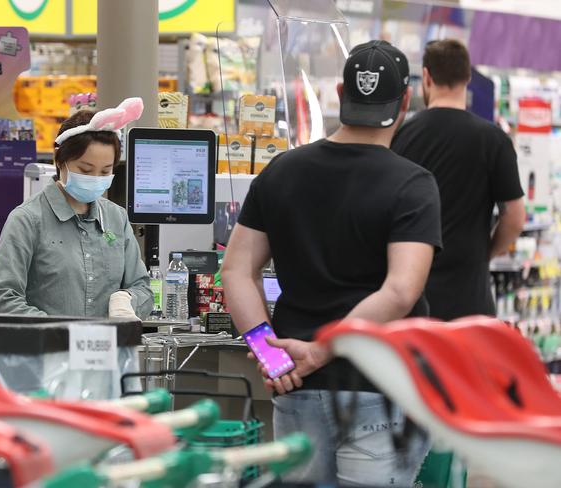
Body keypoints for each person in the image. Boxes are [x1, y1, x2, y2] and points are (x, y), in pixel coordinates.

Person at [222, 41, 441, 486]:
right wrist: (319, 353)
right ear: (404, 103)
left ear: (340, 92)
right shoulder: (413, 185)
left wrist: (272, 355)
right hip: (381, 386)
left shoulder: (281, 171)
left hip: (296, 387)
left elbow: (236, 269)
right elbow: (400, 291)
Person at [391, 39, 525, 321]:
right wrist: (484, 254)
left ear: (426, 77)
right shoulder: (493, 140)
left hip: (413, 298)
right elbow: (514, 217)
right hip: (470, 299)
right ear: (468, 77)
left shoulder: (402, 135)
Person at [0, 99, 153, 320]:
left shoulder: (116, 218)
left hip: (106, 350)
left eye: (105, 171)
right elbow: (3, 299)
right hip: (48, 351)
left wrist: (127, 300)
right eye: (85, 169)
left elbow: (142, 288)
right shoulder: (27, 220)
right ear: (60, 160)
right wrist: (57, 331)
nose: (95, 178)